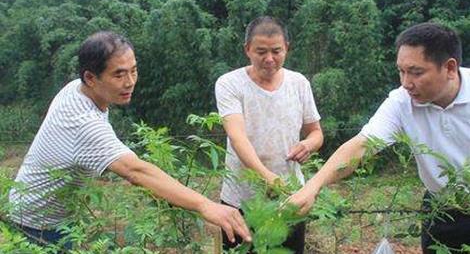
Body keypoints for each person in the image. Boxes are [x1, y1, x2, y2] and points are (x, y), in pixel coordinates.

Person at [8, 31, 251, 250]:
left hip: (56, 219)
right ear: (90, 78)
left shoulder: (77, 89)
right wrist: (205, 205)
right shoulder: (83, 122)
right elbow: (135, 171)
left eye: (133, 70)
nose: (130, 82)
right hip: (36, 226)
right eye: (118, 74)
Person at [289, 22, 470, 253]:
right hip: (441, 210)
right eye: (401, 71)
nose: (406, 83)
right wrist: (312, 187)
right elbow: (362, 145)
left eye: (416, 72)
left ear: (450, 68)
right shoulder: (402, 102)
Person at [215, 16, 324, 253]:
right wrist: (267, 176)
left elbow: (316, 132)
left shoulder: (299, 83)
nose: (269, 59)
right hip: (240, 199)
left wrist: (308, 144)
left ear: (287, 48)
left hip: (290, 198)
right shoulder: (229, 84)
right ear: (247, 50)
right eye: (261, 51)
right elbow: (237, 137)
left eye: (276, 51)